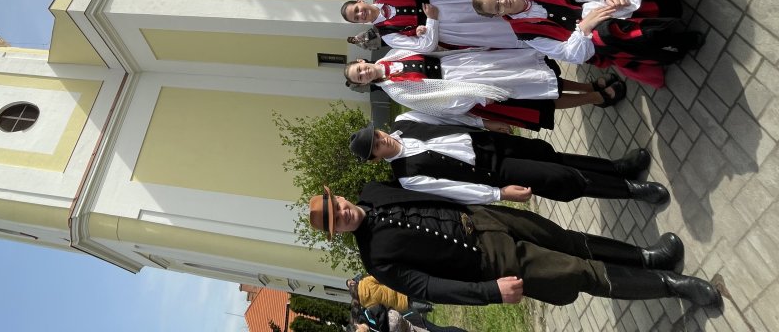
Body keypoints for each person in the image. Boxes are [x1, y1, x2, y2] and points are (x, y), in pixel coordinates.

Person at [307, 182, 721, 307]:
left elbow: (437, 185)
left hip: (485, 218)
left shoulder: (374, 192)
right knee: (576, 272)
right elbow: (430, 289)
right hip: (489, 261)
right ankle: (672, 285)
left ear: (339, 198)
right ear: (336, 231)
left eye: (336, 206)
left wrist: (494, 193)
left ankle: (648, 257)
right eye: (334, 220)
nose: (341, 213)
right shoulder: (376, 261)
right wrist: (489, 293)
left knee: (570, 240)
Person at [349, 114, 667, 205]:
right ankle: (632, 191)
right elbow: (453, 189)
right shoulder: (408, 176)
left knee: (548, 153)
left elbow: (447, 117)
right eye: (377, 146)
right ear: (376, 159)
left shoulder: (405, 121)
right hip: (492, 170)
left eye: (377, 135)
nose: (382, 140)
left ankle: (618, 168)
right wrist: (499, 194)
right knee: (557, 179)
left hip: (490, 142)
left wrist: (484, 123)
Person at [471, 0, 704, 87]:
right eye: (498, 8)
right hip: (588, 38)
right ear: (499, 16)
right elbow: (569, 54)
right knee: (607, 33)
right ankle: (674, 42)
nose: (504, 3)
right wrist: (584, 28)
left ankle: (667, 9)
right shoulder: (525, 34)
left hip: (589, 4)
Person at [342, 48, 623, 120]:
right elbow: (438, 104)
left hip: (464, 64)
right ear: (365, 84)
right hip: (466, 86)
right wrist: (474, 94)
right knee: (534, 93)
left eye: (360, 68)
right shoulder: (396, 91)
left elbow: (428, 48)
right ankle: (595, 99)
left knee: (532, 74)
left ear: (361, 60)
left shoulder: (393, 54)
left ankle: (589, 87)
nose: (364, 72)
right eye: (361, 77)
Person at [341, 0, 524, 50]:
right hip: (449, 29)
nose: (360, 14)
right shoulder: (387, 35)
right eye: (356, 18)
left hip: (445, 0)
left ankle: (524, 6)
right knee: (492, 29)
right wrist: (431, 22)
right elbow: (424, 46)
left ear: (360, 1)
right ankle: (529, 31)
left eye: (357, 10)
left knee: (492, 3)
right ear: (360, 24)